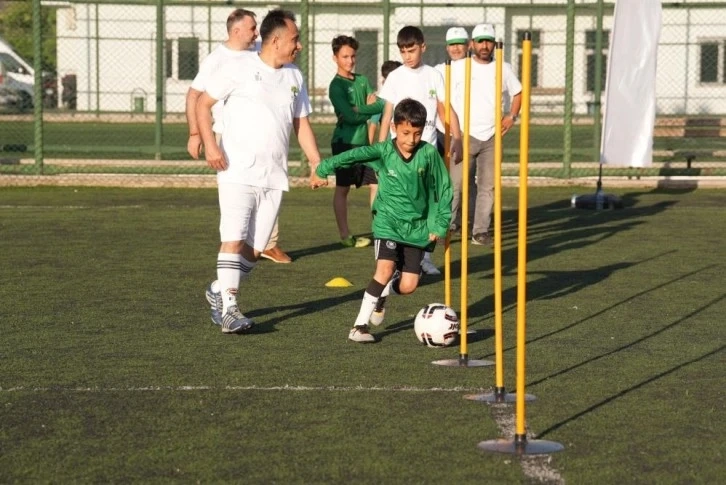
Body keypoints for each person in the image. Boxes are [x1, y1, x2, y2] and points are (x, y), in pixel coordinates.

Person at [196, 9, 323, 333]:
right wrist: (209, 143)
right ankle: (230, 310)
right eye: (295, 39)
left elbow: (301, 123)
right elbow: (202, 103)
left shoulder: (294, 76)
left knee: (255, 249)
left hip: (274, 176)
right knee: (233, 240)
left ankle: (217, 290)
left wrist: (315, 162)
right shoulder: (238, 67)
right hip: (236, 170)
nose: (299, 46)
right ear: (276, 40)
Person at [311, 98, 453, 343]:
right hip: (387, 222)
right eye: (406, 133)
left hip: (417, 227)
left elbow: (444, 189)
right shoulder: (383, 151)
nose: (411, 139)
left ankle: (384, 292)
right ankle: (359, 326)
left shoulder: (428, 154)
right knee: (384, 269)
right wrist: (323, 169)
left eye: (417, 134)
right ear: (394, 128)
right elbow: (353, 156)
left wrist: (439, 224)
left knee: (408, 286)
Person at [185, 8, 292, 265]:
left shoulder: (258, 55)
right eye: (252, 28)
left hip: (259, 135)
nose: (257, 33)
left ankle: (267, 243)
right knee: (239, 199)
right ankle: (237, 245)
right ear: (236, 31)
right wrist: (196, 134)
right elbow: (195, 96)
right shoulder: (217, 60)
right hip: (227, 134)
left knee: (268, 184)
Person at [377, 25, 463, 276]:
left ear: (423, 47)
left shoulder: (435, 75)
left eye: (411, 50)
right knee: (401, 205)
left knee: (430, 205)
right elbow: (386, 115)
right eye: (403, 51)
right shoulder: (396, 77)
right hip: (399, 153)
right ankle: (395, 259)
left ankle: (424, 257)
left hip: (427, 149)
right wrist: (381, 149)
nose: (407, 56)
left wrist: (456, 137)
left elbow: (446, 108)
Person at [450, 23, 522, 246]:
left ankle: (480, 230)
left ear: (494, 44)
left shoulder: (503, 67)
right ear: (472, 44)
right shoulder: (460, 67)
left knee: (487, 186)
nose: (484, 45)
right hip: (464, 134)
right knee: (457, 183)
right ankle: (450, 223)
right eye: (480, 41)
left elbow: (518, 92)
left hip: (492, 136)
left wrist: (511, 115)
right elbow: (440, 91)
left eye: (488, 41)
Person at [328, 35, 384, 248]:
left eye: (353, 56)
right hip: (344, 143)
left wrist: (361, 109)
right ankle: (345, 235)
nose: (350, 61)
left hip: (364, 145)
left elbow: (379, 107)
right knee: (343, 188)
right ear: (335, 58)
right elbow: (350, 117)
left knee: (377, 184)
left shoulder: (362, 80)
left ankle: (379, 229)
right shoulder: (336, 86)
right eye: (345, 56)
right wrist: (367, 109)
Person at [434, 27, 469, 234]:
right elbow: (439, 103)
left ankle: (450, 220)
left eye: (460, 43)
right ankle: (440, 219)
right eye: (452, 44)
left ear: (468, 45)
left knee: (458, 182)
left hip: (468, 132)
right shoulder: (439, 69)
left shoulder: (476, 67)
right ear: (447, 47)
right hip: (442, 132)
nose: (456, 48)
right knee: (440, 180)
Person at [366, 60, 402, 205]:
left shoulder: (404, 98)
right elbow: (372, 126)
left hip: (402, 149)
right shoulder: (381, 101)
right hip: (386, 150)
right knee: (376, 185)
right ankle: (376, 222)